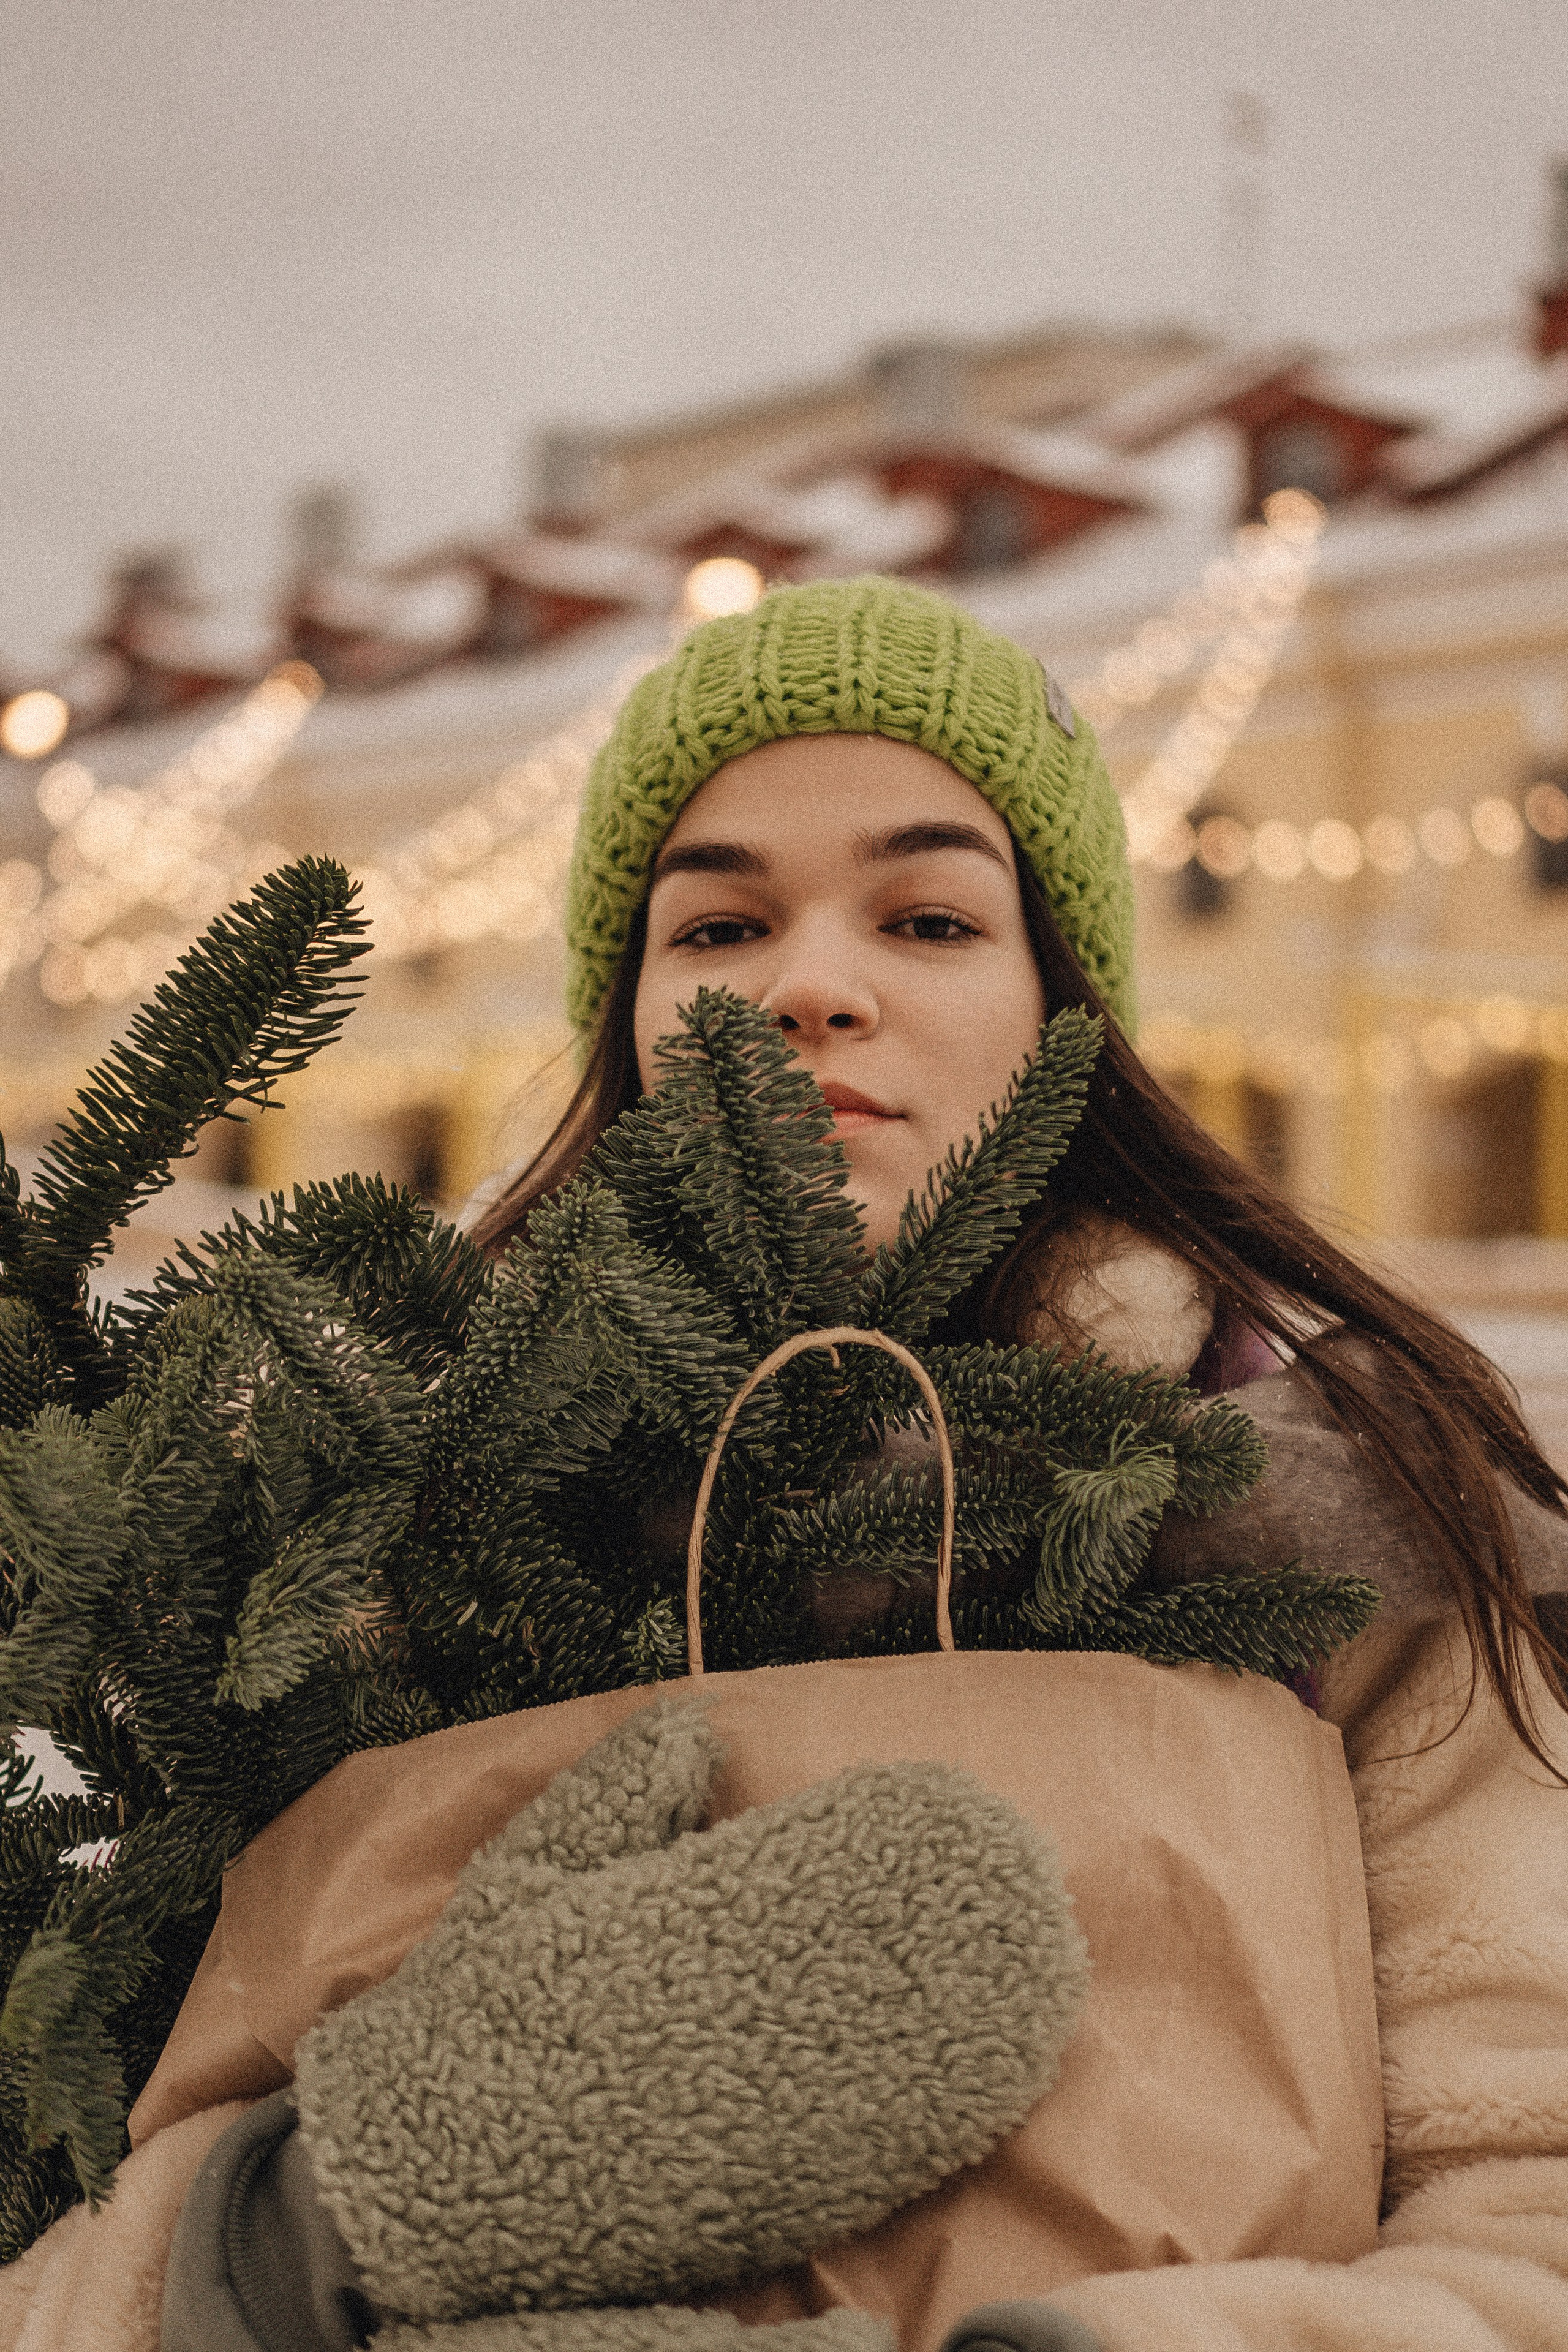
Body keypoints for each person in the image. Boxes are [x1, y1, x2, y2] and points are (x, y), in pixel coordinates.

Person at [129, 575, 1568, 2350]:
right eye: (721, 931)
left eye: (931, 919)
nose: (813, 987)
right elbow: (75, 2237)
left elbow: (1537, 2218)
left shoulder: (1345, 1515)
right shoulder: (376, 1546)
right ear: (629, 1018)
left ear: (1062, 1008)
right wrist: (288, 2243)